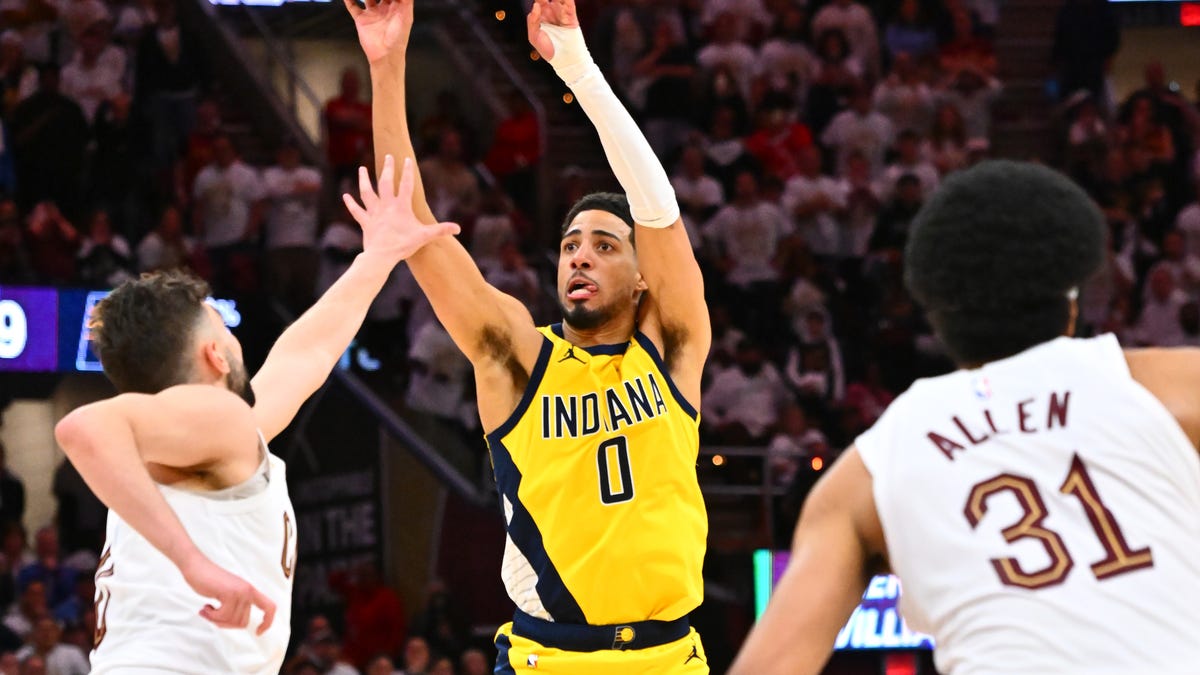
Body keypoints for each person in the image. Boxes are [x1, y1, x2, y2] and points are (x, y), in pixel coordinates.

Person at [346, 0, 711, 670]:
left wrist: (578, 68)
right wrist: (388, 65)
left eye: (604, 245)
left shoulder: (672, 348)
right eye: (572, 244)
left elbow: (659, 210)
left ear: (640, 280)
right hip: (552, 655)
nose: (579, 256)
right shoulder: (519, 353)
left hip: (668, 655)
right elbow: (413, 220)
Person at [730, 161, 1200, 674]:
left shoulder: (867, 472)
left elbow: (768, 666)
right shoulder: (1167, 385)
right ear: (1072, 297)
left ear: (935, 313)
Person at [53, 156, 459, 673]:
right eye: (222, 327)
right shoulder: (218, 420)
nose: (234, 340)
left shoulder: (216, 436)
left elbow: (305, 356)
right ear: (215, 357)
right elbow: (80, 427)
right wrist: (194, 564)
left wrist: (376, 259)